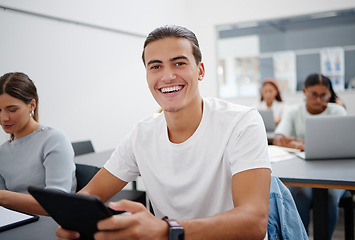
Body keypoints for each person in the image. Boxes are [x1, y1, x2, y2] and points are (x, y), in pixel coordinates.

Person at [57, 25, 271, 240]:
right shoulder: (141, 134)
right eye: (156, 66)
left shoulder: (242, 122)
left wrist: (167, 230)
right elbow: (88, 195)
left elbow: (254, 222)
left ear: (201, 70)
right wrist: (71, 219)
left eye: (179, 63)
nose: (168, 76)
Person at [273, 73, 347, 237]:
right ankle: (301, 236)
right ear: (305, 92)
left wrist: (296, 143)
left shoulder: (337, 111)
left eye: (324, 95)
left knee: (328, 196)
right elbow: (278, 139)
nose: (319, 100)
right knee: (298, 195)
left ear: (330, 94)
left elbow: (345, 142)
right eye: (314, 94)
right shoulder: (294, 111)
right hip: (300, 172)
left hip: (334, 171)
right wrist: (304, 145)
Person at [0, 72, 76, 215]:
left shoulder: (53, 140)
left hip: (51, 224)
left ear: (32, 105)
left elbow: (56, 203)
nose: (4, 118)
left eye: (12, 110)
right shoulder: (2, 153)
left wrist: (3, 196)